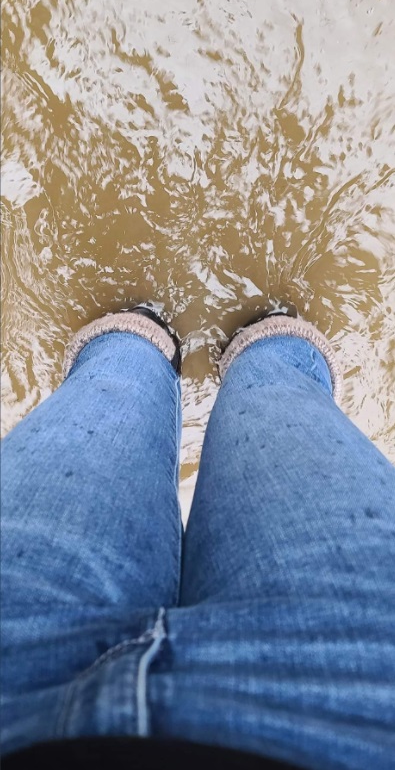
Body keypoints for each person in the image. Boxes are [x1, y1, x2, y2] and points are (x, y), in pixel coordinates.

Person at [1, 304, 394, 770]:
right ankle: (185, 340)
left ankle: (158, 338)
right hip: (360, 684)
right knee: (268, 370)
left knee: (128, 365)